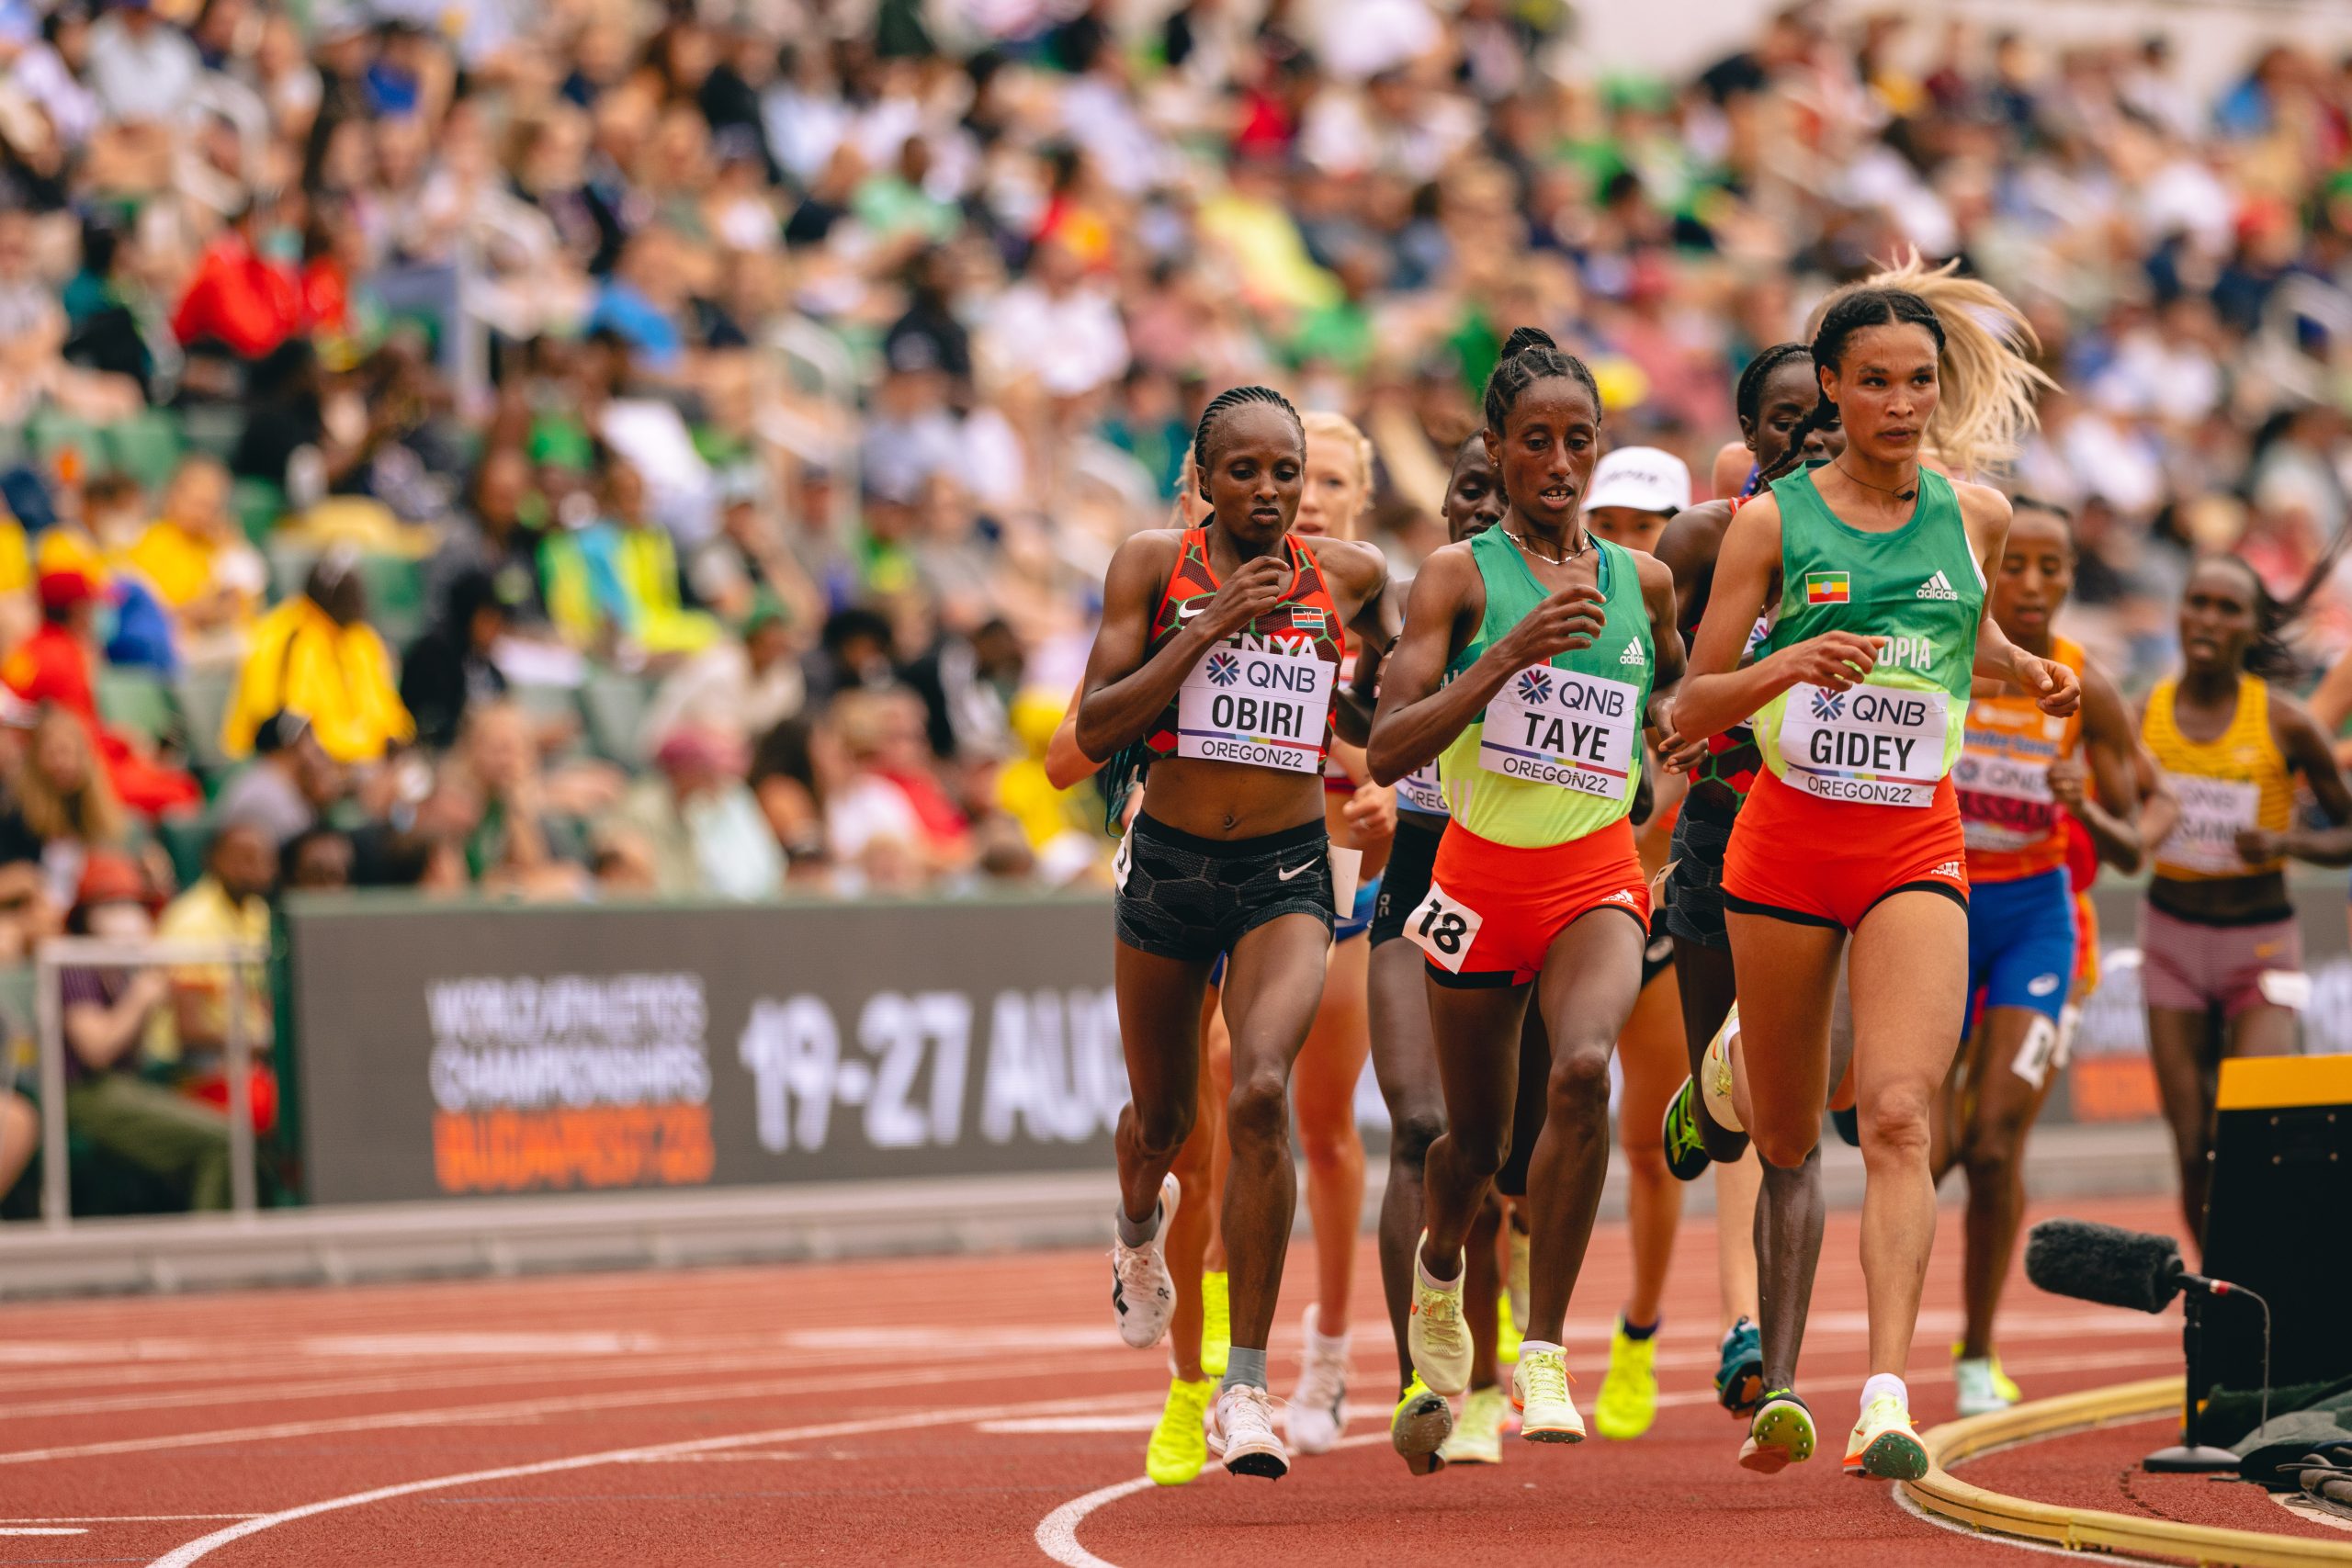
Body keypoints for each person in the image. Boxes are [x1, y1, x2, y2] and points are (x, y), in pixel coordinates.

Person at [1668, 266, 2077, 1482]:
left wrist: (2028, 668)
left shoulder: (1977, 515)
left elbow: (1967, 638)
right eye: (1877, 384)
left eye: (1919, 382)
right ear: (1833, 392)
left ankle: (1886, 1391)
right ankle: (1778, 1369)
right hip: (1788, 841)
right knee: (1788, 1137)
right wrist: (1792, 661)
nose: (1902, 404)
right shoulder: (1772, 523)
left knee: (1900, 1113)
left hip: (1913, 840)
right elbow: (1695, 698)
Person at [1368, 328, 1684, 1446]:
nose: (1560, 464)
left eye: (1579, 443)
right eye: (1536, 443)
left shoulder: (1640, 578)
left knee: (1586, 1072)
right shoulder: (1459, 578)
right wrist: (1505, 657)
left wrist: (1680, 748)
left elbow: (1673, 707)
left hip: (1591, 872)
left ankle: (1545, 1352)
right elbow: (1386, 750)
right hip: (1474, 878)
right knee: (1470, 1143)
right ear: (1496, 451)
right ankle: (1442, 1270)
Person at [1077, 383, 1388, 1480]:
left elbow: (1375, 720)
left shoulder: (1348, 580)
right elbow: (1092, 726)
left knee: (1261, 1087)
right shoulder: (1150, 565)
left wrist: (1388, 748)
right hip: (1168, 868)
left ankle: (1246, 1384)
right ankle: (1132, 1233)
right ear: (1203, 480)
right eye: (1244, 471)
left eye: (1286, 471)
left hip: (1289, 870)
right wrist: (1208, 629)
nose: (1270, 491)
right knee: (1164, 1120)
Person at [1652, 341, 1845, 1468]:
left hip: (1829, 837)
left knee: (1802, 1101)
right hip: (1720, 831)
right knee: (1734, 1099)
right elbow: (1666, 703)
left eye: (1822, 419)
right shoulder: (1704, 540)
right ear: (1745, 438)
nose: (1810, 438)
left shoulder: (1875, 534)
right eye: (1785, 422)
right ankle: (1705, 1094)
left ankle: (1772, 1357)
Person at [1932, 497, 2144, 1415]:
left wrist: (2086, 802)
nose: (2030, 584)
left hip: (2033, 919)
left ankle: (1976, 1352)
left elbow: (2138, 828)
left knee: (1991, 1144)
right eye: (2013, 565)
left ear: (2069, 579)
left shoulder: (2083, 682)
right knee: (1922, 1143)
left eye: (2050, 568)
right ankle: (1888, 1345)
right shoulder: (1945, 655)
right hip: (1936, 902)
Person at [1361, 428, 1506, 1471]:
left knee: (1497, 1154)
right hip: (1420, 879)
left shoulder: (1576, 608)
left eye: (1502, 497)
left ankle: (1496, 1373)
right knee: (1418, 1127)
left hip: (1528, 884)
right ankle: (1420, 1377)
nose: (1484, 513)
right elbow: (1362, 737)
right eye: (1468, 493)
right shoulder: (1410, 612)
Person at [2136, 555, 2352, 1244]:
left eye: (2229, 608)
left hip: (2260, 944)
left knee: (2251, 1126)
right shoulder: (2144, 714)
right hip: (2170, 937)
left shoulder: (2286, 723)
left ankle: (2267, 1270)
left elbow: (2348, 833)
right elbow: (2117, 816)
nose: (2208, 618)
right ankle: (2216, 1290)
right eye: (2198, 601)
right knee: (2191, 1135)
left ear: (2254, 626)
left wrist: (2287, 841)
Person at [1576, 444, 1702, 1443]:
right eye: (1609, 523)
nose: (1623, 543)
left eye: (1644, 527)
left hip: (1653, 914)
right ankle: (1506, 1343)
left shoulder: (1694, 644)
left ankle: (1638, 1336)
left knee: (1651, 1145)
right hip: (1563, 901)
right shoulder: (1562, 620)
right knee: (1530, 1130)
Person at [1280, 408, 1395, 1457]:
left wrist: (1356, 768)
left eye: (1327, 481)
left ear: (1358, 497)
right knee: (1212, 1097)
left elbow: (1400, 765)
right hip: (1213, 872)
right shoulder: (1203, 583)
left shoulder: (1383, 611)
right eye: (1290, 476)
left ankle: (1326, 1354)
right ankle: (1216, 1357)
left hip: (1341, 879)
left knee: (1321, 1126)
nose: (1307, 497)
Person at [59, 854, 237, 1213]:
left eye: (133, 905)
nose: (127, 915)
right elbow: (96, 1050)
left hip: (127, 1085)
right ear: (86, 915)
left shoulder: (125, 968)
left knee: (231, 1130)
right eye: (112, 905)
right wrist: (140, 1000)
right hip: (84, 1094)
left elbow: (135, 1052)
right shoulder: (72, 963)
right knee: (224, 1141)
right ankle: (213, 1255)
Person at [222, 552, 415, 765]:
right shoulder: (286, 638)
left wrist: (393, 745)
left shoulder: (361, 639)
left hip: (361, 765)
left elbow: (390, 715)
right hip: (298, 768)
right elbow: (282, 732)